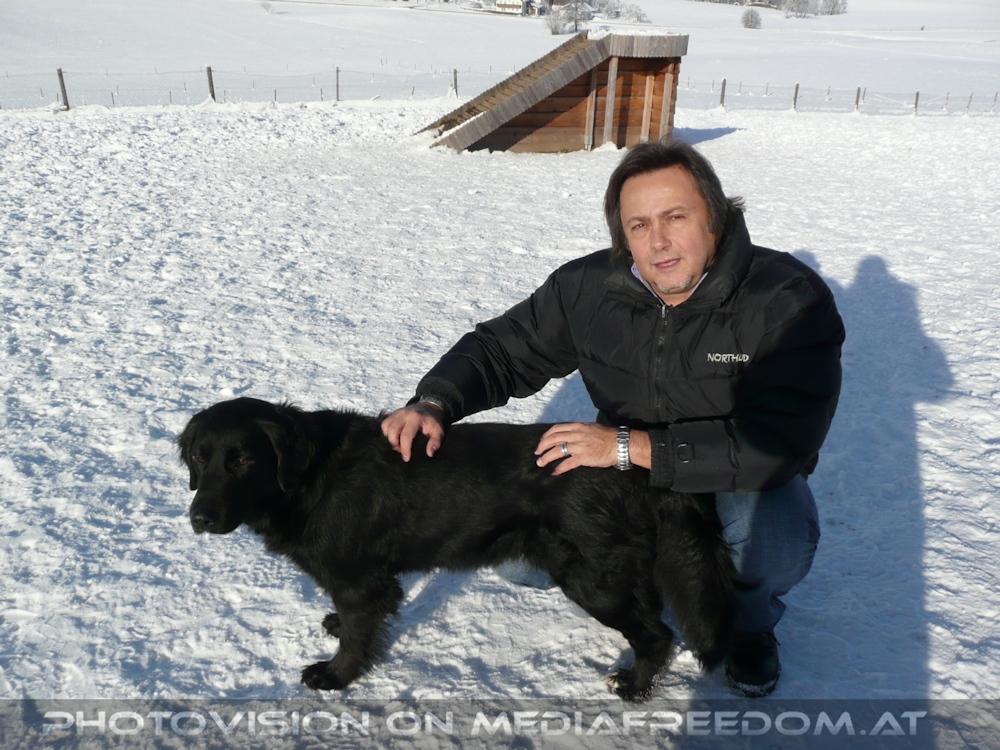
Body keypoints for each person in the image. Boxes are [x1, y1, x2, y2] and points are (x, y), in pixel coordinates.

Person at [381, 140, 844, 698]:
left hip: (733, 474)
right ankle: (652, 586)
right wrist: (435, 401)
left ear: (716, 218)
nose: (658, 241)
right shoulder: (589, 289)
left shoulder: (785, 297)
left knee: (773, 537)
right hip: (627, 471)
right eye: (639, 225)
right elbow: (503, 350)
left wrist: (631, 446)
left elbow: (779, 440)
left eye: (676, 217)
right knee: (516, 551)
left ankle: (744, 626)